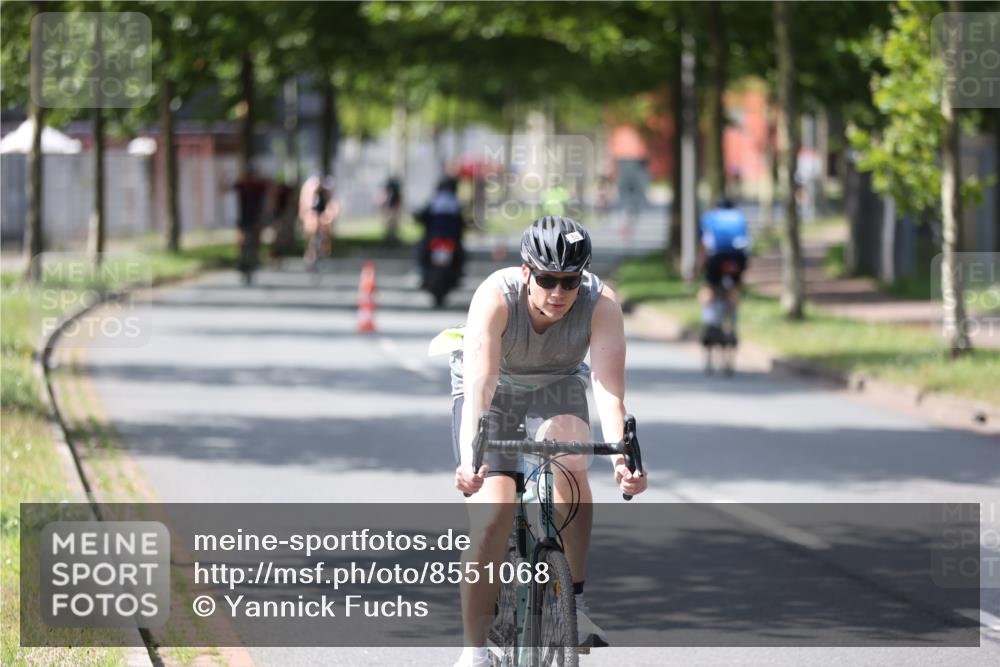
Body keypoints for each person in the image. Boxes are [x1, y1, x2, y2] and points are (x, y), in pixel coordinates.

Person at [450, 216, 648, 667]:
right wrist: (470, 459)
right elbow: (480, 386)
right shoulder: (495, 298)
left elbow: (608, 389)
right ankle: (474, 650)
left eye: (569, 281)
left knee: (573, 460)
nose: (558, 292)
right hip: (494, 393)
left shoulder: (601, 304)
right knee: (493, 514)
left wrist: (623, 461)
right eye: (547, 279)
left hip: (557, 387)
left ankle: (574, 603)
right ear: (526, 272)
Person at [697, 197, 751, 344]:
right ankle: (733, 328)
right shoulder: (739, 217)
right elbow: (746, 244)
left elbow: (704, 246)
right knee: (735, 289)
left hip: (717, 257)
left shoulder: (709, 217)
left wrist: (697, 269)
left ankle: (709, 324)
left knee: (709, 289)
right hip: (737, 258)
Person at [414, 176, 467, 286]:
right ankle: (459, 274)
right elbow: (462, 222)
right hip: (450, 238)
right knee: (461, 255)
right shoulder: (455, 203)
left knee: (421, 252)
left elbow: (422, 216)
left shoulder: (434, 201)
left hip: (434, 237)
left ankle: (421, 273)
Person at [232, 167, 270, 272]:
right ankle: (240, 257)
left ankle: (255, 256)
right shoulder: (242, 185)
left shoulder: (258, 185)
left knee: (256, 236)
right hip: (244, 216)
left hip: (255, 216)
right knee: (241, 237)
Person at [299, 175, 339, 262]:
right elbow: (305, 206)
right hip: (311, 210)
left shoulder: (326, 191)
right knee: (310, 227)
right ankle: (309, 251)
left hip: (322, 210)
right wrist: (307, 215)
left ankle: (326, 249)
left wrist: (328, 216)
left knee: (326, 227)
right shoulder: (309, 190)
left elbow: (330, 205)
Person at [380, 176, 403, 244]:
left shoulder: (392, 189)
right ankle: (391, 237)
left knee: (392, 223)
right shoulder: (393, 189)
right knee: (391, 223)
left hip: (392, 206)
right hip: (392, 206)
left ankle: (392, 237)